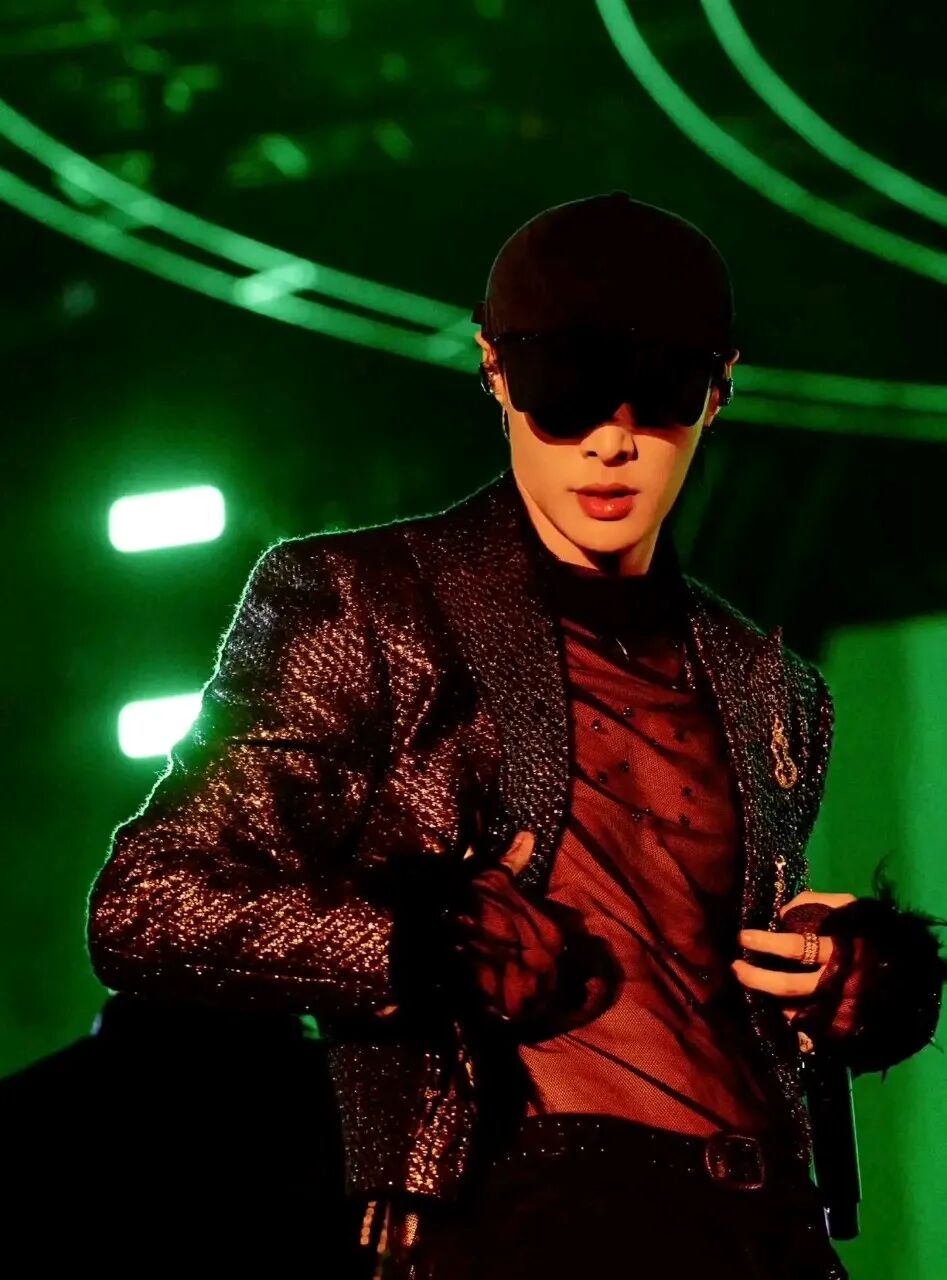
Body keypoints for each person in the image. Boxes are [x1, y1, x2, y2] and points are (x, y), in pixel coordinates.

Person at [87, 193, 945, 1279]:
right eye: (565, 391)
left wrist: (862, 980)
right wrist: (421, 944)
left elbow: (725, 978)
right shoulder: (367, 602)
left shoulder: (774, 686)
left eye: (660, 393)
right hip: (517, 1208)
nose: (612, 440)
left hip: (765, 1224)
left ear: (719, 387)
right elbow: (146, 905)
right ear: (494, 371)